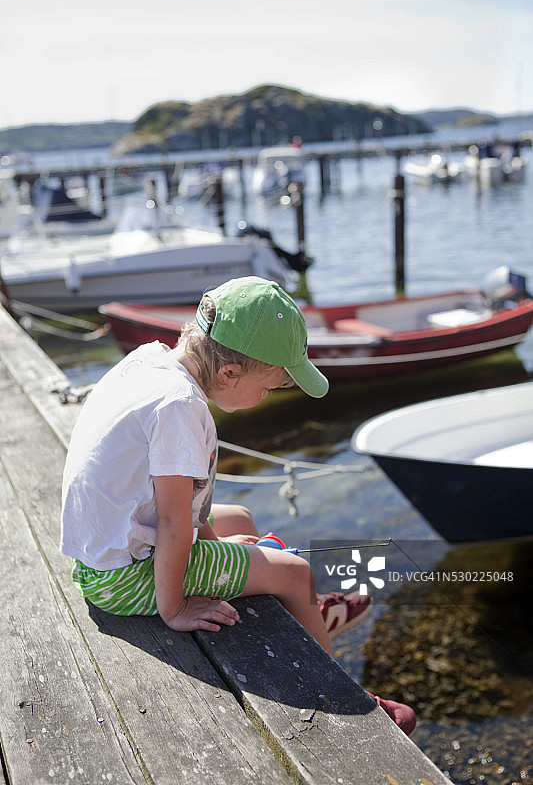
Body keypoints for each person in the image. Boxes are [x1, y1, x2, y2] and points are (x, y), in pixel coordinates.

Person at [60, 276, 415, 736]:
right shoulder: (178, 407)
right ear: (229, 374)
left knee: (241, 519)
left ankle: (299, 612)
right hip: (126, 579)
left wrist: (218, 546)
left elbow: (185, 505)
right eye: (268, 388)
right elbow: (173, 521)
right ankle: (340, 690)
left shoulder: (149, 360)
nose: (267, 396)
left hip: (103, 553)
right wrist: (175, 608)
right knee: (295, 572)